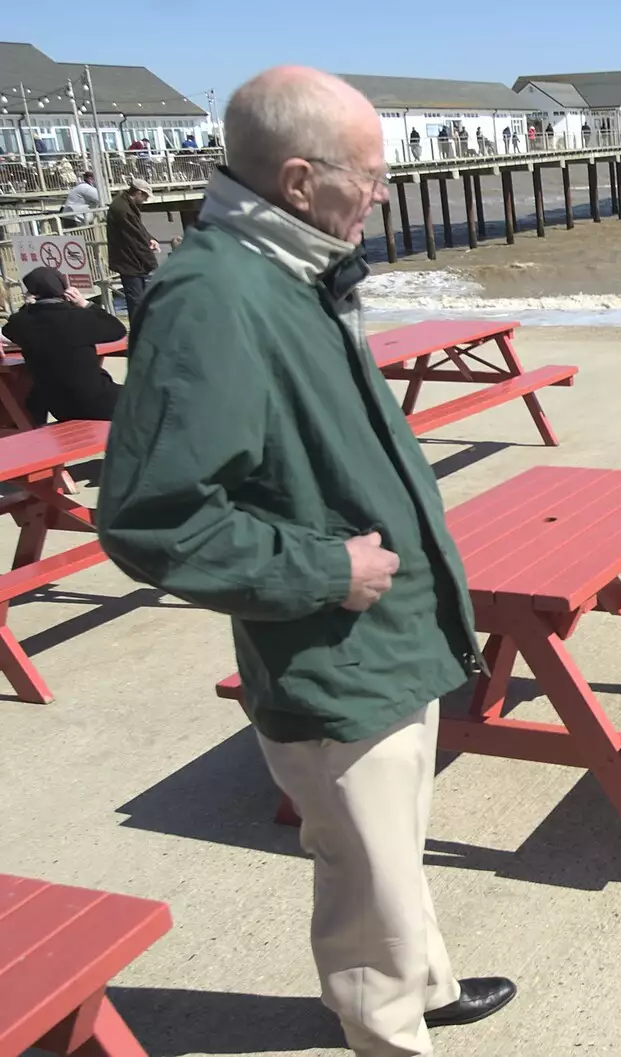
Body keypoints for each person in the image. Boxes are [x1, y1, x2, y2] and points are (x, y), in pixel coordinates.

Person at [95, 66, 515, 1057]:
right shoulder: (214, 297)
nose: (380, 195)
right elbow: (153, 521)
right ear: (296, 179)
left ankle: (424, 984)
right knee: (363, 860)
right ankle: (385, 1027)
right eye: (368, 177)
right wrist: (325, 573)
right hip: (334, 640)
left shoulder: (291, 266)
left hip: (388, 633)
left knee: (393, 847)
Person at [0, 266, 125, 424]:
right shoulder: (80, 317)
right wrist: (84, 303)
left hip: (60, 408)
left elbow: (9, 329)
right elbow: (118, 330)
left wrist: (28, 307)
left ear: (31, 294)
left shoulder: (21, 322)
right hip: (101, 402)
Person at [106, 178, 160, 321]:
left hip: (130, 260)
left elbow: (138, 229)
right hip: (129, 260)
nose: (146, 200)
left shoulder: (125, 205)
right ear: (138, 193)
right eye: (145, 196)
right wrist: (153, 264)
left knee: (139, 298)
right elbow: (134, 238)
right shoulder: (122, 209)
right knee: (136, 299)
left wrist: (150, 239)